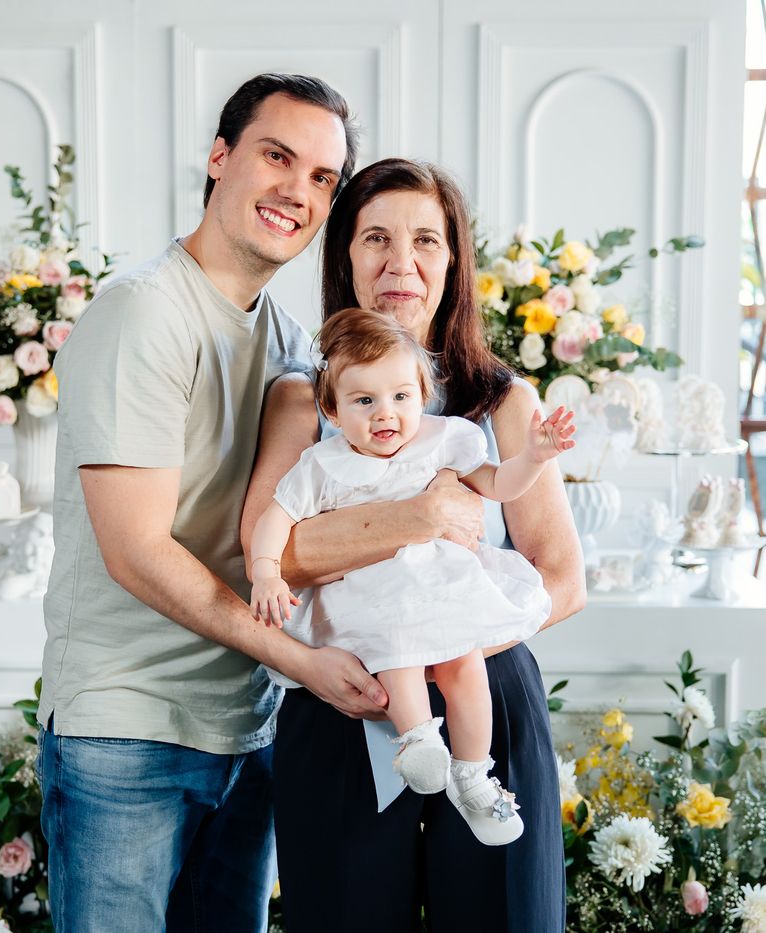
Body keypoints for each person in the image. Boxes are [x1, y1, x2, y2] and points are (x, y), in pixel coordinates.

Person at [38, 74, 379, 933]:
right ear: (220, 156)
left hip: (245, 728)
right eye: (277, 156)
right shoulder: (143, 314)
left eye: (321, 178)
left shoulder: (290, 342)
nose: (297, 191)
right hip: (128, 731)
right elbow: (136, 551)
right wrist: (302, 662)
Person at [241, 158, 586, 930]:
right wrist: (424, 516)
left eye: (426, 239)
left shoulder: (502, 403)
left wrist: (449, 643)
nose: (402, 261)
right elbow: (270, 554)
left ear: (453, 260)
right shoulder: (302, 399)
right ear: (344, 257)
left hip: (484, 690)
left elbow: (563, 577)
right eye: (376, 238)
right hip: (345, 697)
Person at [246, 308, 575, 847]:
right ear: (332, 409)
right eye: (363, 401)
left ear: (422, 395)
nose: (386, 414)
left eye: (401, 397)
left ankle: (473, 775)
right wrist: (265, 573)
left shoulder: (442, 441)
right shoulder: (323, 464)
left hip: (442, 588)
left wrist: (535, 457)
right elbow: (274, 519)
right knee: (395, 651)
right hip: (374, 596)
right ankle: (418, 740)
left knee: (465, 666)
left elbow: (500, 484)